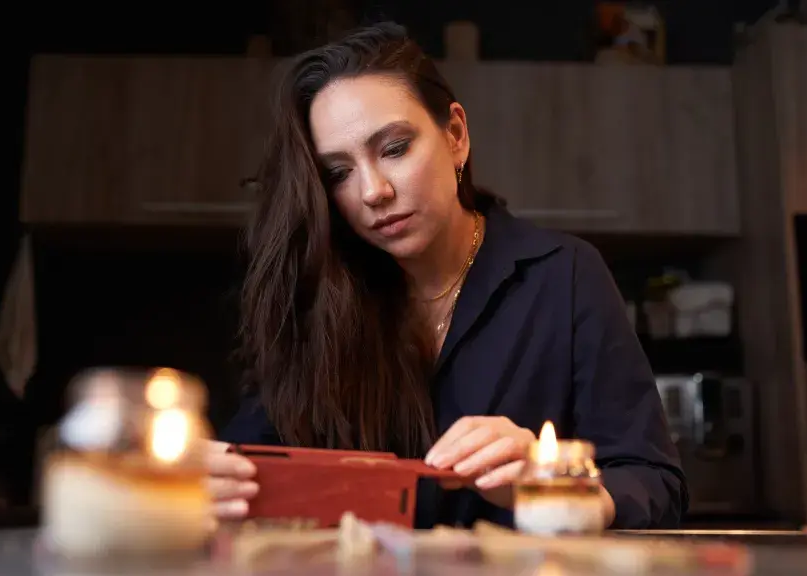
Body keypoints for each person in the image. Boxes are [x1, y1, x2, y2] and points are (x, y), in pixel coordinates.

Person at [206, 22, 687, 530]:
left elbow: (656, 483)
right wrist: (198, 477)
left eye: (394, 149)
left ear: (455, 135)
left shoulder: (566, 276)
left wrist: (551, 480)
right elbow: (244, 468)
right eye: (338, 173)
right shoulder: (316, 297)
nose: (373, 191)